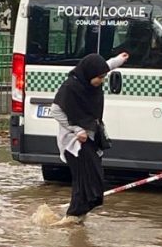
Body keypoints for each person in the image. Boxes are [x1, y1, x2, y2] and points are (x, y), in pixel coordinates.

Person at [50, 52, 128, 226]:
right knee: (85, 179)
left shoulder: (89, 81)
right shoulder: (71, 87)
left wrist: (118, 60)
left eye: (103, 77)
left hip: (91, 136)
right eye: (99, 78)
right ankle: (73, 215)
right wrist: (76, 129)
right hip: (74, 142)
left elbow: (103, 66)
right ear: (89, 74)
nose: (101, 81)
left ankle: (78, 215)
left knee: (93, 178)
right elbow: (55, 110)